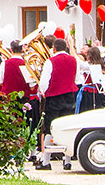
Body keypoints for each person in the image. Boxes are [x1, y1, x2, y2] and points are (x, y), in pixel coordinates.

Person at [35, 39, 78, 171]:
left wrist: (43, 92)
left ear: (54, 49)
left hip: (54, 97)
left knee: (49, 128)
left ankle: (46, 161)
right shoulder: (73, 60)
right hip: (70, 96)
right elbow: (76, 78)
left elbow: (44, 82)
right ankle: (67, 161)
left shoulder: (50, 61)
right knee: (67, 127)